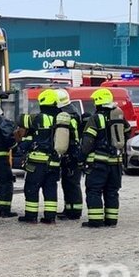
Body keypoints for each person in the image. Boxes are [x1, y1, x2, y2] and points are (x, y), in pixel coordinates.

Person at [81, 88, 131, 228]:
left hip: (99, 163)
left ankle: (95, 221)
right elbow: (127, 133)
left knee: (94, 190)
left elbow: (88, 142)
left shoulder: (95, 118)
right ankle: (111, 220)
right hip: (116, 163)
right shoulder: (119, 117)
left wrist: (81, 157)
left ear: (98, 102)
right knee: (112, 191)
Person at [18, 89, 60, 224]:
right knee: (50, 189)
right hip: (54, 161)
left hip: (38, 161)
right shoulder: (62, 118)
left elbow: (21, 120)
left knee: (31, 187)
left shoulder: (38, 117)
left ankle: (31, 216)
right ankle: (50, 217)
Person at [55, 89, 84, 220]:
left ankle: (74, 212)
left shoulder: (66, 114)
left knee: (71, 183)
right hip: (74, 151)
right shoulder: (73, 111)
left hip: (71, 153)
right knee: (69, 182)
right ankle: (69, 209)